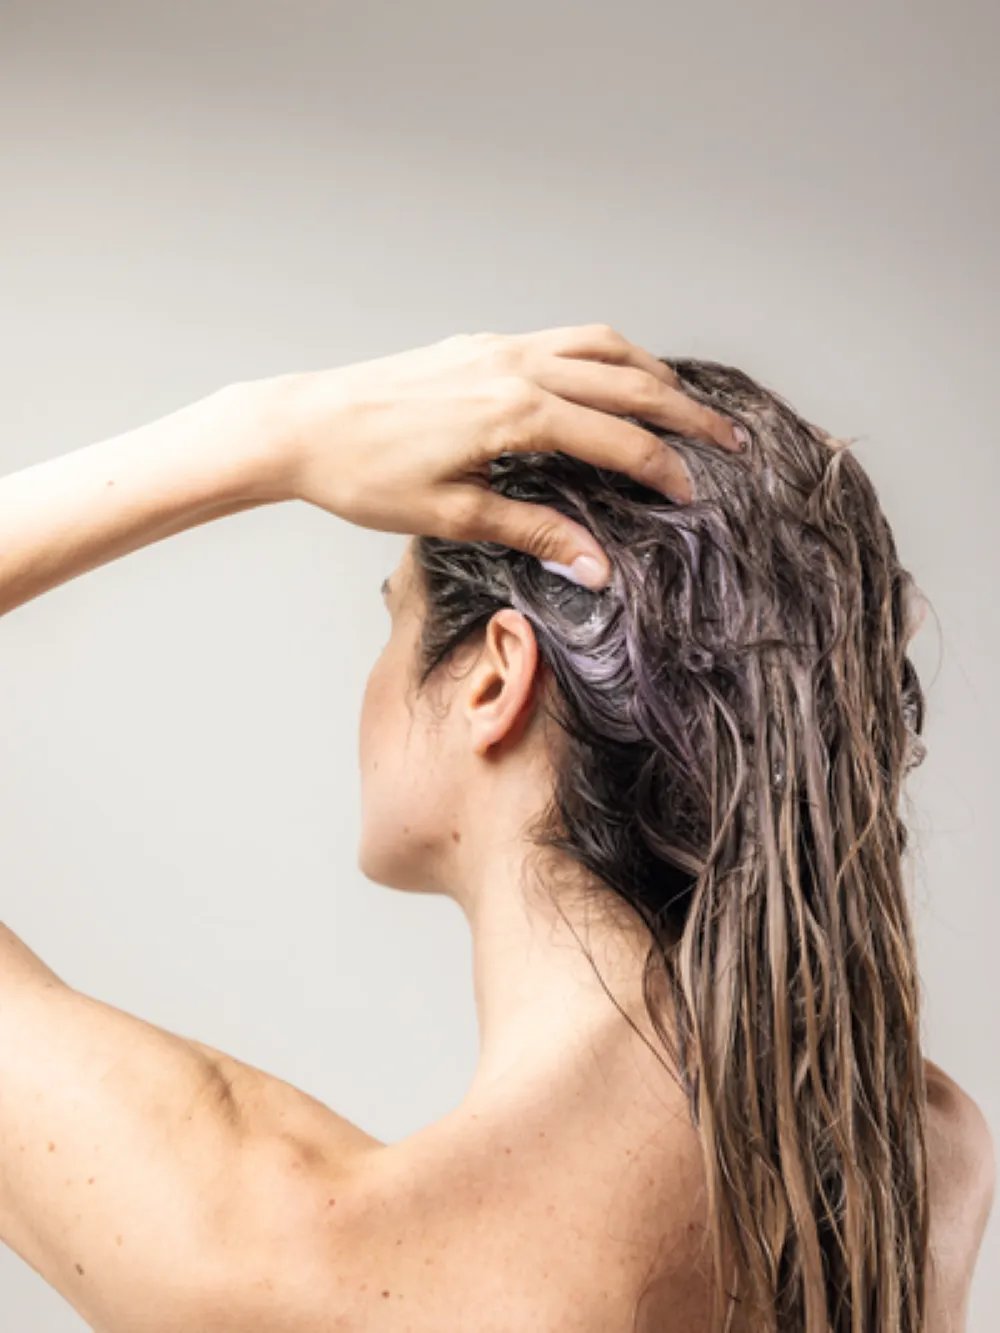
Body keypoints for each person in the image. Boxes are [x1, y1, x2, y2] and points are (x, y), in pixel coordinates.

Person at [0, 323, 992, 1331]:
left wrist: (269, 432)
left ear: (492, 676)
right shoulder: (919, 1161)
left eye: (394, 617)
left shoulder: (290, 1245)